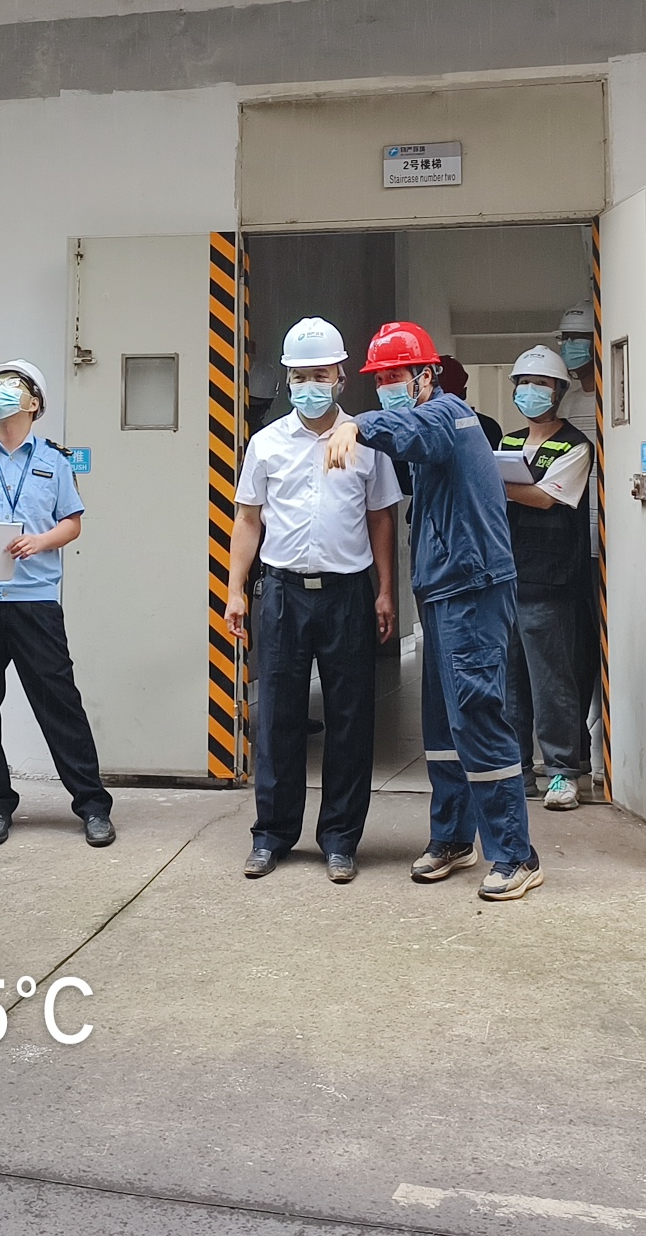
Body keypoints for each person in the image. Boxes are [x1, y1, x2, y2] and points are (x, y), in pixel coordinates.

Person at [324, 322, 540, 900]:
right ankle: (453, 838)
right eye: (380, 380)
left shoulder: (447, 415)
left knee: (478, 715)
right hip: (443, 590)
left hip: (473, 589)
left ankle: (516, 854)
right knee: (444, 727)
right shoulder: (428, 425)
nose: (387, 387)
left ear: (426, 375)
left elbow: (410, 430)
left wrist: (355, 424)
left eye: (395, 376)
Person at [226, 317, 402, 883]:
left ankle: (340, 840)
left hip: (347, 594)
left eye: (320, 375)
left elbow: (381, 518)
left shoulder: (367, 440)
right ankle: (272, 836)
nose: (309, 386)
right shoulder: (266, 444)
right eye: (300, 377)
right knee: (278, 718)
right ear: (287, 380)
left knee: (351, 719)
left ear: (341, 377)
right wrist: (235, 590)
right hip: (282, 594)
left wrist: (384, 591)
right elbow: (248, 520)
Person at [0, 359, 116, 848]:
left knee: (60, 703)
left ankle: (92, 805)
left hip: (35, 601)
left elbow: (72, 522)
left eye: (11, 386)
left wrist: (41, 541)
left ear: (34, 403)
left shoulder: (55, 461)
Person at [499, 345, 596, 812]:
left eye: (540, 384)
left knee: (553, 681)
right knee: (510, 682)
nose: (530, 391)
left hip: (552, 581)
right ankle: (518, 770)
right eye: (524, 383)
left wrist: (495, 484)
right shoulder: (508, 443)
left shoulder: (576, 445)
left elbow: (544, 497)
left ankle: (563, 771)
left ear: (558, 392)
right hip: (506, 577)